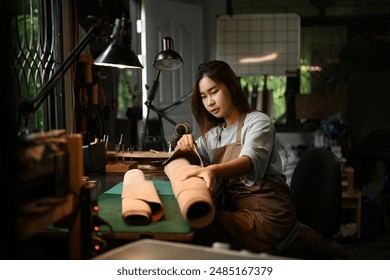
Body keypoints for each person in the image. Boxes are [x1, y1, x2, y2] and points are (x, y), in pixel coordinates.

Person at [175, 60, 298, 253]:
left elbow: (249, 161)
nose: (210, 102)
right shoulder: (214, 135)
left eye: (214, 91)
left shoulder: (258, 122)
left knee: (198, 225)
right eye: (203, 96)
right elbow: (185, 157)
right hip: (241, 211)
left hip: (269, 215)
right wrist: (183, 145)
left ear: (231, 86)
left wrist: (214, 170)